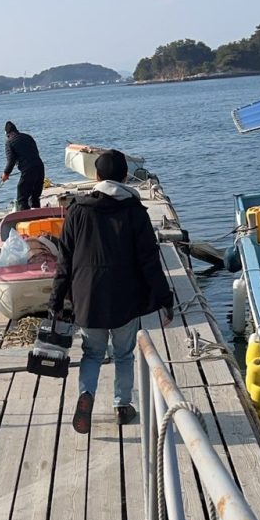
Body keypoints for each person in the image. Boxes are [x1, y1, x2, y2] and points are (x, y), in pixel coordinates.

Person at [50, 148, 173, 432]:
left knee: (92, 354)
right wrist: (165, 299)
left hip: (87, 297)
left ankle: (86, 394)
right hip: (124, 299)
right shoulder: (134, 211)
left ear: (96, 176)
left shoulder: (77, 210)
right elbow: (150, 261)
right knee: (124, 355)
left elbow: (64, 260)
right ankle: (122, 406)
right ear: (124, 177)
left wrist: (55, 301)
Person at [1, 121, 44, 210]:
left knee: (22, 199)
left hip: (28, 171)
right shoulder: (28, 137)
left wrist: (6, 173)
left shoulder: (9, 142)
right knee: (35, 197)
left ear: (7, 134)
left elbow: (11, 161)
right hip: (40, 167)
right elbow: (35, 152)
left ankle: (25, 216)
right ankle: (37, 215)